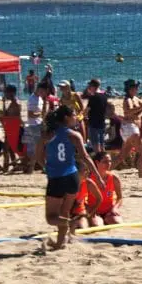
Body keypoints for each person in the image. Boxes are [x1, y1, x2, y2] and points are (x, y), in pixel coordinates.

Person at [36, 105, 102, 250]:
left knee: (51, 217)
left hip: (56, 178)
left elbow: (38, 156)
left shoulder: (48, 134)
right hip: (72, 177)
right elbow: (85, 157)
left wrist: (46, 167)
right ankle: (60, 242)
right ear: (66, 118)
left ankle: (70, 223)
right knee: (64, 211)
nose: (76, 118)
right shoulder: (74, 135)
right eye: (74, 115)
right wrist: (98, 177)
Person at [113, 80, 142, 178]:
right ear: (129, 89)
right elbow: (128, 112)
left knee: (122, 156)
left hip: (129, 129)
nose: (137, 89)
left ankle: (104, 172)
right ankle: (141, 176)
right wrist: (141, 107)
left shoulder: (136, 98)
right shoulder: (127, 99)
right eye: (135, 88)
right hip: (130, 128)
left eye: (137, 88)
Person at [86, 151, 123, 226]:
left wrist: (115, 208)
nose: (108, 164)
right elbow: (81, 199)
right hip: (94, 211)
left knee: (117, 222)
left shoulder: (114, 178)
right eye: (105, 162)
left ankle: (105, 218)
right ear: (97, 162)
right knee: (96, 225)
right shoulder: (89, 179)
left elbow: (120, 198)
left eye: (110, 161)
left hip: (109, 211)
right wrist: (89, 210)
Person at [23, 82, 49, 173]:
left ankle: (34, 168)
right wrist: (41, 114)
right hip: (34, 126)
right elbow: (30, 114)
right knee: (38, 148)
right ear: (39, 89)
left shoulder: (40, 98)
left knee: (40, 147)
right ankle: (36, 167)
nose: (44, 93)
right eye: (43, 91)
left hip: (39, 124)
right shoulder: (32, 99)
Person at [83, 79, 109, 153]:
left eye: (89, 86)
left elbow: (86, 110)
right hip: (102, 122)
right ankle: (104, 161)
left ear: (92, 86)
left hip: (94, 124)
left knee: (95, 146)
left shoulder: (93, 97)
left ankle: (98, 162)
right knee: (102, 145)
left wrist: (84, 116)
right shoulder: (104, 96)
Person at [0, 85, 22, 170]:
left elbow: (17, 118)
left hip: (14, 128)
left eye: (6, 92)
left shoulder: (16, 103)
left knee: (6, 148)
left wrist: (5, 118)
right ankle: (14, 164)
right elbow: (6, 114)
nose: (5, 94)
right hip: (10, 127)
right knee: (10, 149)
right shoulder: (12, 102)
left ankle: (5, 166)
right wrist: (3, 103)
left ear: (11, 93)